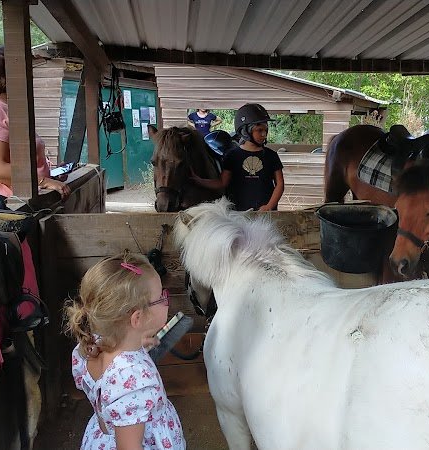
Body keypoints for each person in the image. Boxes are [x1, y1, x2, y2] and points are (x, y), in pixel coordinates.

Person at [65, 252, 185, 450]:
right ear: (137, 318)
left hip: (102, 436)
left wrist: (139, 342)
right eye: (161, 297)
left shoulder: (89, 346)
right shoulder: (134, 380)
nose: (166, 299)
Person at [0, 47, 69, 199]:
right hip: (1, 201)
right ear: (12, 73)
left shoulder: (10, 108)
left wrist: (50, 174)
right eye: (28, 69)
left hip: (20, 197)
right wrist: (43, 181)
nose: (32, 75)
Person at [191, 103, 284, 211]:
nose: (264, 134)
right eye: (259, 130)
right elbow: (222, 182)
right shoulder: (232, 156)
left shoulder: (271, 156)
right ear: (245, 131)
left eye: (265, 130)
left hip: (265, 216)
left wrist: (269, 206)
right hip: (237, 215)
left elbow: (280, 184)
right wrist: (199, 181)